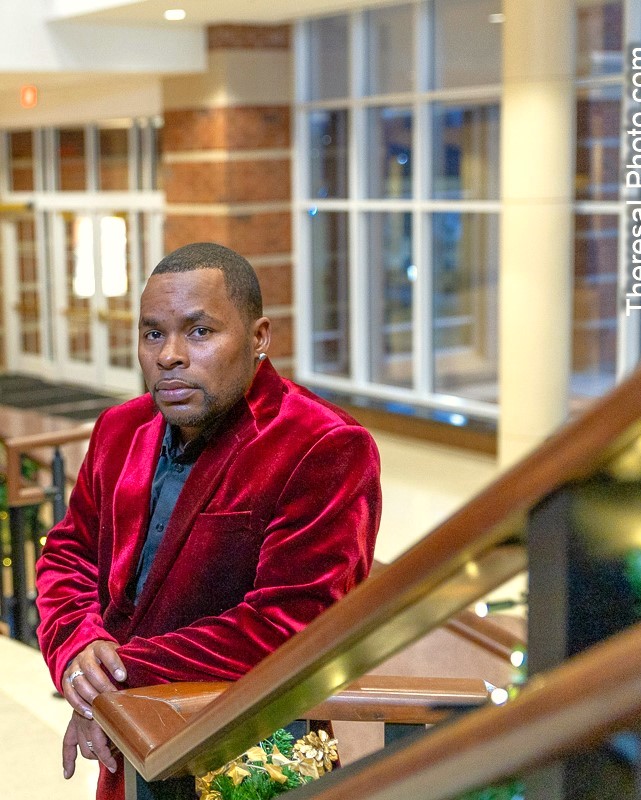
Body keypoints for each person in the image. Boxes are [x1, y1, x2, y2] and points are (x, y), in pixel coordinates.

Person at [35, 242, 382, 800]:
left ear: (259, 337)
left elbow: (292, 624)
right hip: (128, 744)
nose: (170, 355)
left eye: (199, 332)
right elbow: (68, 553)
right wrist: (78, 647)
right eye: (153, 334)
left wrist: (109, 678)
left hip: (252, 755)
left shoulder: (323, 445)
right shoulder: (120, 429)